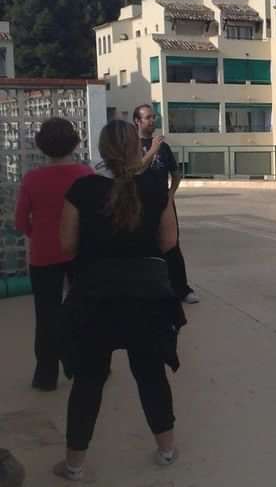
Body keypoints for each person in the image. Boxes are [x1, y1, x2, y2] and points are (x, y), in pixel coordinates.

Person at [53, 120, 186, 481]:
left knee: (89, 380)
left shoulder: (81, 189)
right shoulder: (155, 188)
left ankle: (74, 464)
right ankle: (167, 449)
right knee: (150, 374)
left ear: (102, 150)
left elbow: (65, 245)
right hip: (146, 296)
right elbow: (169, 242)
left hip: (95, 297)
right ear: (135, 148)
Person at [14, 117, 93, 391]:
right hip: (81, 253)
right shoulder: (86, 175)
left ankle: (46, 374)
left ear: (42, 145)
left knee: (45, 314)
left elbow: (21, 220)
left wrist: (40, 236)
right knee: (84, 310)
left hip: (44, 255)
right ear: (74, 142)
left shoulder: (32, 179)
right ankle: (87, 366)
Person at [133, 104, 199, 304]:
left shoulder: (165, 147)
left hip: (163, 202)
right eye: (147, 117)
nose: (152, 121)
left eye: (154, 117)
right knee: (144, 245)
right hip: (139, 203)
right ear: (137, 121)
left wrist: (171, 194)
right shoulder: (131, 145)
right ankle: (148, 288)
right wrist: (152, 149)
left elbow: (175, 174)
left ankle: (182, 289)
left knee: (172, 246)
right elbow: (136, 169)